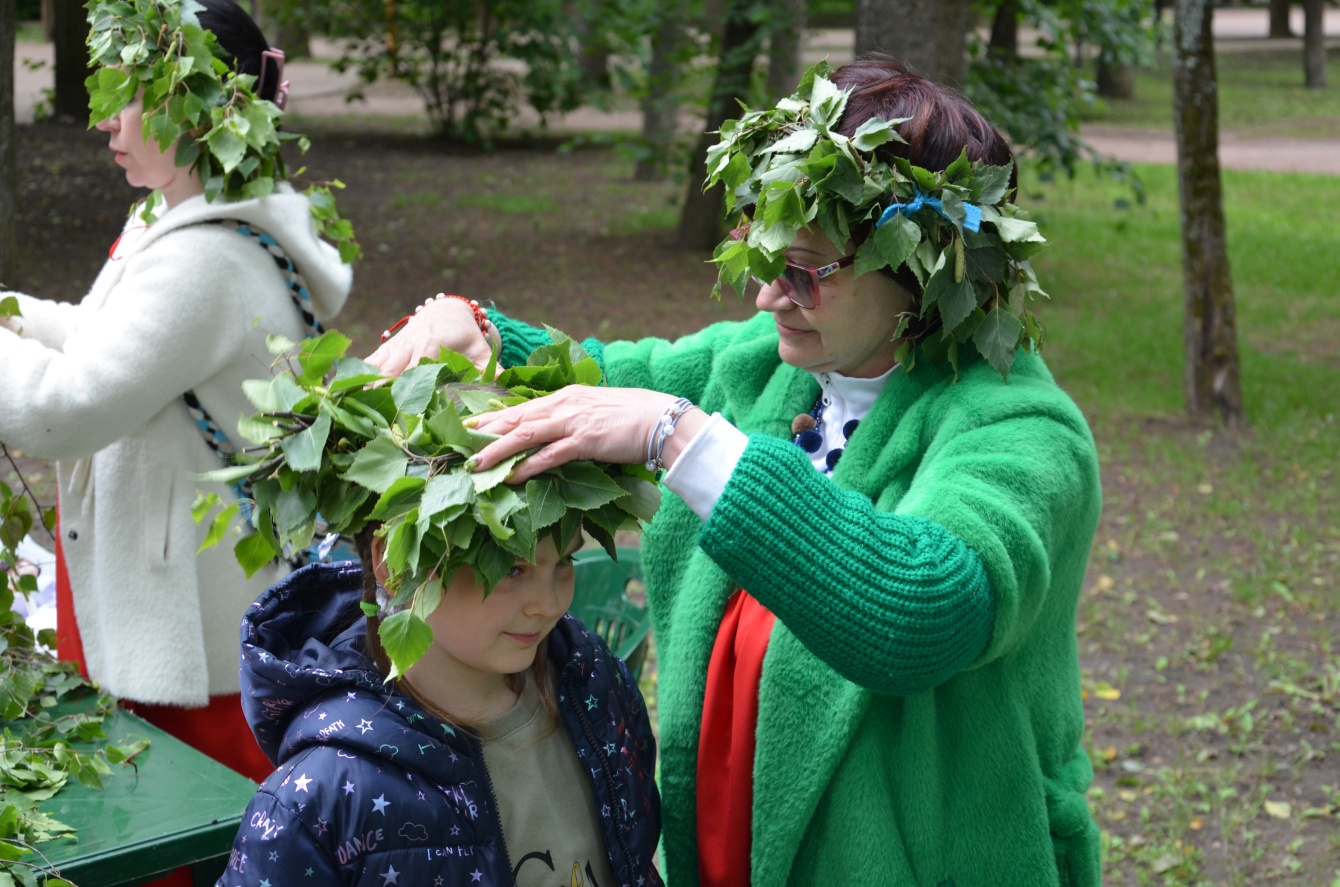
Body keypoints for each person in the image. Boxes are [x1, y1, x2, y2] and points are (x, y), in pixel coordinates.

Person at [370, 57, 1104, 886]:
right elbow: (601, 380)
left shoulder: (1020, 427)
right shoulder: (768, 366)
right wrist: (483, 331)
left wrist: (676, 437)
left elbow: (926, 609)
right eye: (761, 256)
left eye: (804, 272)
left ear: (922, 270)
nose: (766, 297)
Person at [0, 0, 351, 783]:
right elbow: (104, 336)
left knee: (181, 814)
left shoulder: (204, 262)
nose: (105, 119)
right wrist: (11, 312)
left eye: (128, 97)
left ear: (197, 110)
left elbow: (63, 411)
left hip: (188, 637)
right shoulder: (177, 220)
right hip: (163, 592)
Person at [214, 521, 663, 885]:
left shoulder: (593, 688)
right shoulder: (318, 798)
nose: (548, 604)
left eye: (563, 560)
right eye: (511, 568)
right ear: (396, 562)